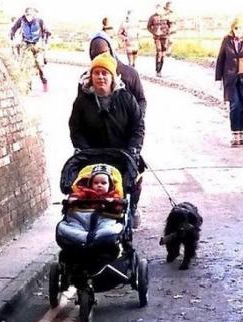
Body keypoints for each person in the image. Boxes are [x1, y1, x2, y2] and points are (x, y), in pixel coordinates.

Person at [69, 52, 145, 226]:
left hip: (122, 153)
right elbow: (75, 128)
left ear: (112, 77)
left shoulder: (126, 98)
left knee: (133, 179)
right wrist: (83, 149)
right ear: (91, 76)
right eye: (97, 73)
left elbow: (137, 126)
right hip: (92, 154)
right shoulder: (82, 101)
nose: (101, 77)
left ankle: (130, 209)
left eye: (105, 73)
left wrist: (133, 149)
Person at [215, 18, 243, 147]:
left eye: (240, 28)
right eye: (235, 28)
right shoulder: (226, 41)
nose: (237, 31)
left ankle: (242, 133)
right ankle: (234, 133)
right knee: (234, 105)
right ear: (232, 29)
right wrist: (218, 79)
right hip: (230, 79)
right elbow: (220, 60)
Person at [81, 32, 147, 116]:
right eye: (96, 54)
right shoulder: (85, 81)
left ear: (111, 50)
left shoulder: (130, 74)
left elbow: (141, 100)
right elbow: (79, 113)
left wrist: (138, 122)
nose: (101, 57)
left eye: (104, 52)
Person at [10, 7, 51, 92]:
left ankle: (44, 81)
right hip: (26, 44)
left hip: (37, 44)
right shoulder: (21, 20)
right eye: (27, 15)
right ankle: (28, 86)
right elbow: (13, 28)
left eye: (30, 15)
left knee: (39, 65)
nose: (28, 17)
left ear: (33, 15)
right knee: (26, 65)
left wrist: (45, 42)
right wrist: (12, 34)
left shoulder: (39, 21)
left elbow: (47, 32)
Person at [147, 4, 171, 77]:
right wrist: (154, 32)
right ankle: (158, 70)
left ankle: (160, 69)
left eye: (160, 8)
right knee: (159, 52)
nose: (158, 10)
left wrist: (167, 31)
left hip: (164, 36)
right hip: (157, 37)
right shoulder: (152, 17)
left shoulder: (165, 17)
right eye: (157, 8)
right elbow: (148, 27)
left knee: (163, 54)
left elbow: (169, 25)